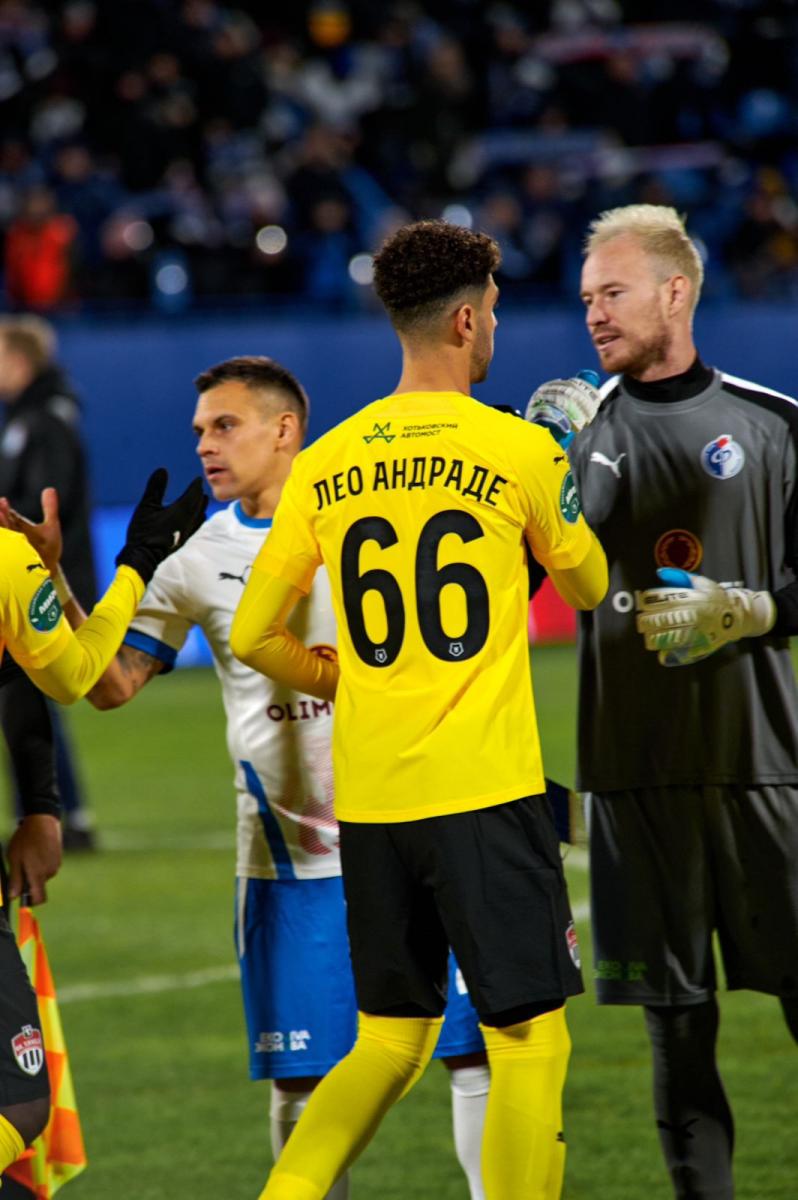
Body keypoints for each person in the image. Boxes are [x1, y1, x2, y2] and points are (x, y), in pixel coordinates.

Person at [230, 219, 608, 1200]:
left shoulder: (327, 460)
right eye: (495, 315)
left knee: (390, 1039)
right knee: (528, 1038)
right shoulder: (516, 446)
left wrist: (352, 681)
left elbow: (253, 637)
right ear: (469, 319)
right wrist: (562, 454)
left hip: (377, 802)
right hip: (487, 793)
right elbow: (593, 582)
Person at [64, 354, 493, 1200]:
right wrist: (71, 586)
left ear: (285, 429)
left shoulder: (368, 514)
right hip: (289, 863)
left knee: (472, 1052)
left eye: (225, 426)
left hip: (416, 826)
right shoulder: (193, 556)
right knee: (302, 1081)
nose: (205, 448)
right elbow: (106, 684)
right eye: (198, 432)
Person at [539, 203, 798, 1200]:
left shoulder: (773, 425)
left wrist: (753, 609)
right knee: (678, 1034)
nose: (595, 313)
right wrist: (535, 463)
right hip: (633, 779)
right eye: (586, 299)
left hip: (765, 768)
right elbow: (504, 591)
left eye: (613, 292)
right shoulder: (574, 432)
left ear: (676, 291)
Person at [0, 468, 207, 1179]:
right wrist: (137, 563)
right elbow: (84, 673)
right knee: (20, 1103)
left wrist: (40, 805)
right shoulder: (4, 561)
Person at [0, 315, 100, 848]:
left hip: (37, 578)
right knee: (23, 695)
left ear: (18, 360)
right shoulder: (30, 417)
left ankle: (57, 817)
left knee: (30, 693)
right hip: (24, 576)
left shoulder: (43, 419)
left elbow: (46, 506)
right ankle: (51, 815)